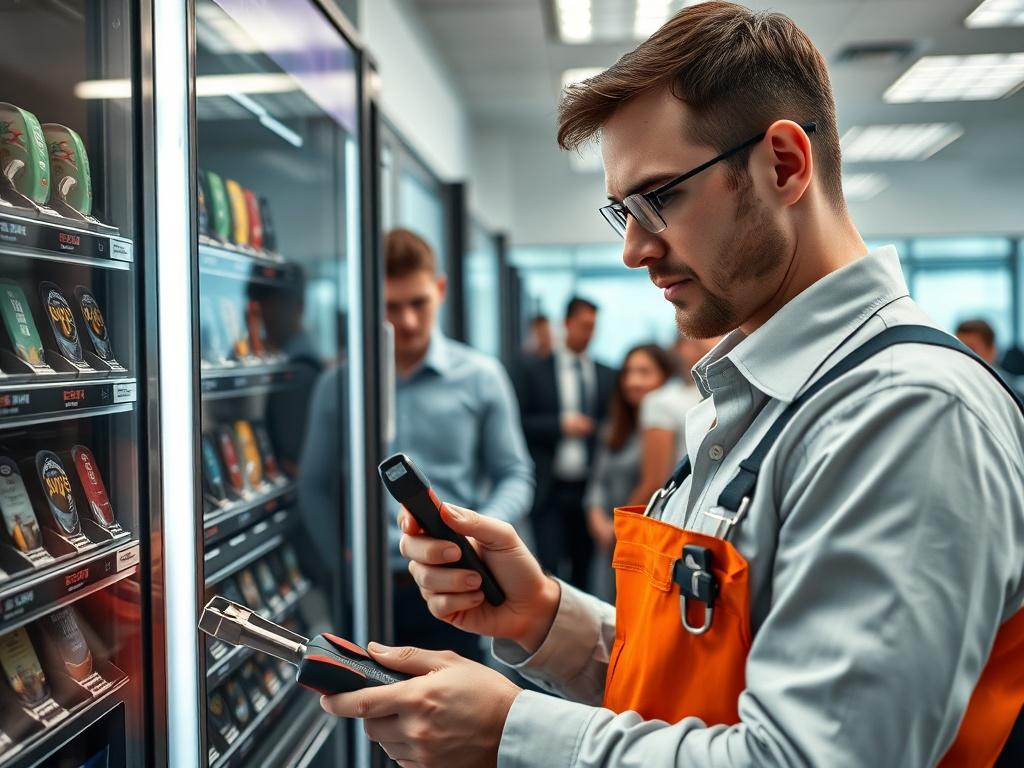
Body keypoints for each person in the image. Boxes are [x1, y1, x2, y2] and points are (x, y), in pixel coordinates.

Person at [321, 3, 1024, 766]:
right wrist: (547, 618)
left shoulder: (907, 415)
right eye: (623, 209)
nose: (632, 249)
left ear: (783, 165)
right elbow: (720, 679)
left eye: (660, 198)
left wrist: (510, 733)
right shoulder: (769, 393)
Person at [386, 229, 536, 661]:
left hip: (455, 582)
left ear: (440, 289)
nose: (409, 321)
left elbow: (516, 474)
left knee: (455, 723)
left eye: (418, 303)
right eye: (391, 307)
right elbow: (318, 486)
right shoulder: (342, 383)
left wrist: (479, 535)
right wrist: (338, 566)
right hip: (369, 586)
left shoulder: (481, 376)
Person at [515, 297, 615, 589]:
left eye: (594, 327)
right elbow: (520, 423)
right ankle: (553, 631)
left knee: (586, 571)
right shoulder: (534, 371)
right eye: (584, 326)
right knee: (548, 568)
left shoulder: (606, 375)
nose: (590, 333)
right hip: (549, 486)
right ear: (567, 324)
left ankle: (580, 632)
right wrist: (560, 425)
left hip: (590, 489)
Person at [584, 343, 674, 600]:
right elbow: (597, 481)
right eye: (628, 372)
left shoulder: (663, 430)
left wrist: (618, 526)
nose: (633, 381)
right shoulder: (614, 427)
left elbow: (655, 484)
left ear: (664, 377)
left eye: (644, 372)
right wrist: (597, 519)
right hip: (608, 538)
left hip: (640, 536)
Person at [629, 334, 717, 506]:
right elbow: (654, 482)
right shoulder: (661, 401)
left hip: (677, 510)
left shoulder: (660, 402)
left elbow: (653, 484)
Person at [956, 318, 1024, 397]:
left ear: (992, 351)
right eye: (958, 349)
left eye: (971, 350)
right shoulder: (951, 387)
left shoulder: (1014, 395)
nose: (962, 355)